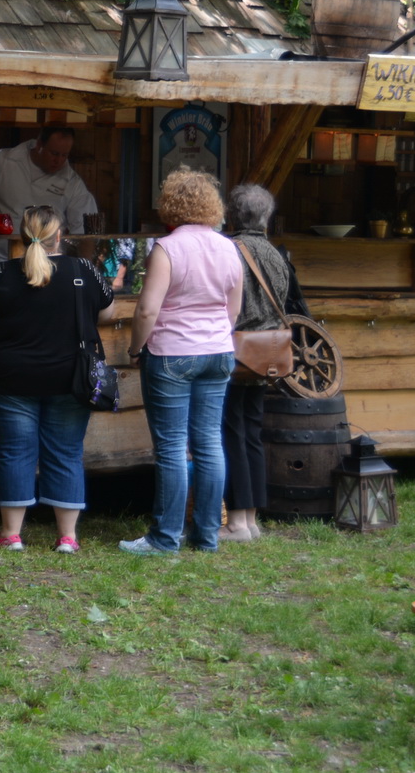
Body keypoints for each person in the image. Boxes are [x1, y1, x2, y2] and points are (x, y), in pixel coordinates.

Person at [0, 205, 115, 554]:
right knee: (66, 453)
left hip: (9, 380)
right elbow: (107, 311)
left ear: (21, 237)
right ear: (59, 237)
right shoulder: (84, 269)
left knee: (15, 454)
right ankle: (67, 538)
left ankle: (11, 535)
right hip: (72, 379)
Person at [121, 169, 242, 555]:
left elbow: (146, 310)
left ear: (170, 204)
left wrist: (137, 348)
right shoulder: (230, 248)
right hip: (218, 352)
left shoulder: (167, 248)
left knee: (172, 448)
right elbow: (233, 309)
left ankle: (164, 538)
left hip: (172, 352)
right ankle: (207, 537)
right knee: (209, 443)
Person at [221, 184, 293, 542]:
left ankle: (236, 521)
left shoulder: (229, 250)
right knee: (251, 433)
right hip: (268, 355)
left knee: (231, 432)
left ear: (231, 214)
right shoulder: (276, 253)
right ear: (267, 216)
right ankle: (250, 519)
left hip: (236, 352)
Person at [0, 127, 99, 270]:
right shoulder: (2, 161)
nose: (59, 160)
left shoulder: (72, 182)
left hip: (45, 266)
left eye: (64, 155)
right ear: (39, 145)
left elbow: (84, 232)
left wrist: (85, 271)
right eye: (54, 153)